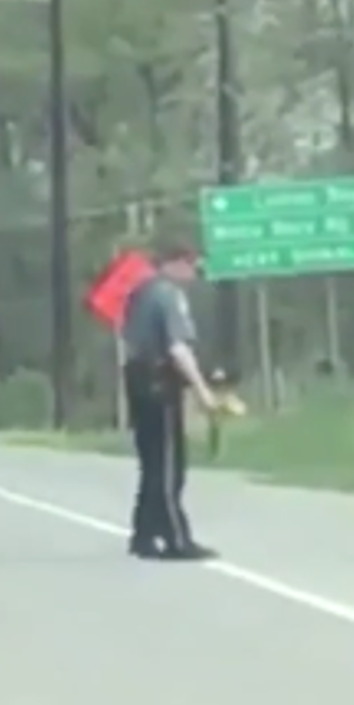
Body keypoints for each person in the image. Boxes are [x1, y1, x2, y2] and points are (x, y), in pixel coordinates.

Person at [120, 240, 220, 561]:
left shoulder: (139, 292)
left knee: (150, 462)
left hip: (136, 379)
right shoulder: (169, 295)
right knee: (168, 467)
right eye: (192, 267)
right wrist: (202, 390)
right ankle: (176, 539)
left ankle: (143, 535)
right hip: (160, 384)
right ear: (176, 263)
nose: (193, 275)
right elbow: (178, 348)